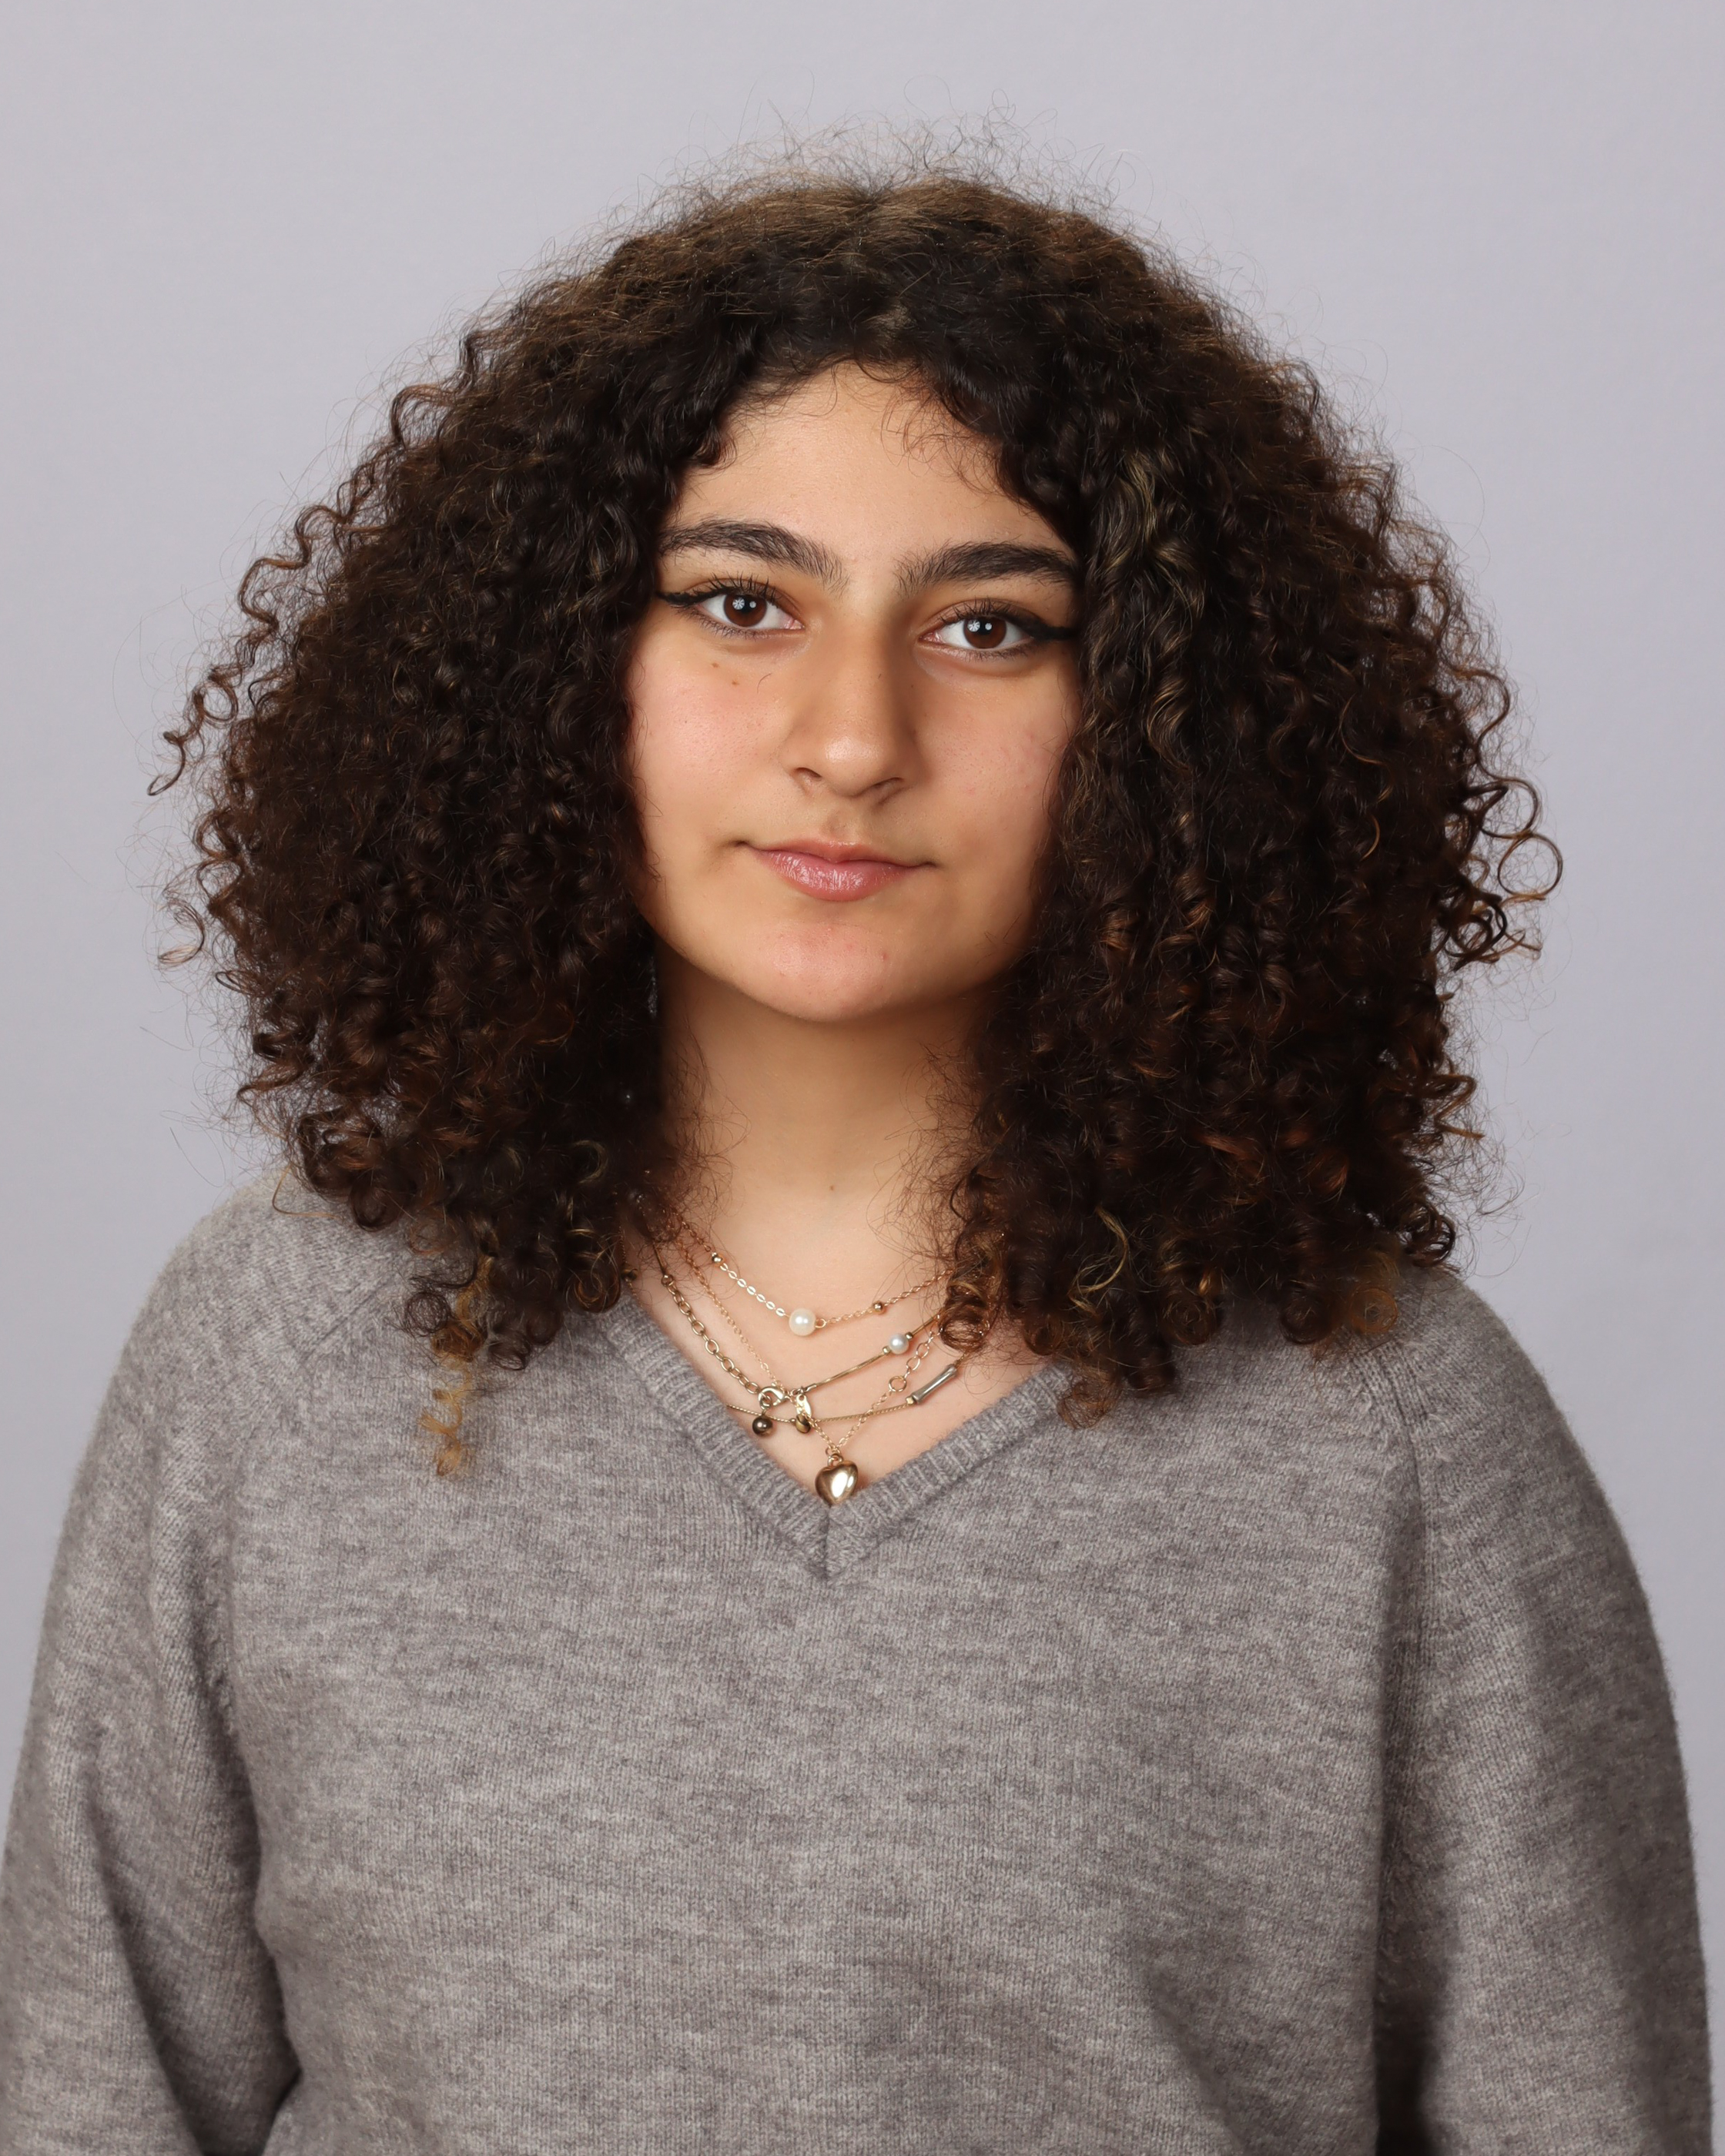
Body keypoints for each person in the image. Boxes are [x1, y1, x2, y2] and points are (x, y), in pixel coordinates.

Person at [0, 159, 1709, 2152]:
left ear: (1161, 729)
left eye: (990, 626)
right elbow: (89, 2101)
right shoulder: (278, 1353)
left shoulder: (1391, 1441)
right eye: (743, 604)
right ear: (560, 666)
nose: (852, 737)